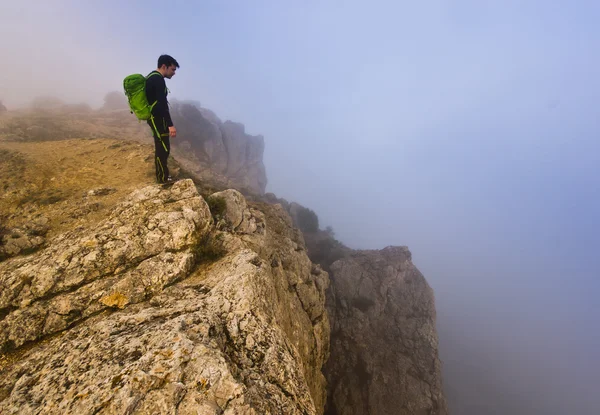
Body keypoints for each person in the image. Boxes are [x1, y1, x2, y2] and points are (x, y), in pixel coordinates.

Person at [146, 54, 179, 184]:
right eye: (173, 69)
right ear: (164, 66)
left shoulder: (152, 77)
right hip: (158, 118)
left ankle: (163, 176)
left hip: (155, 117)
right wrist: (170, 125)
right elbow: (162, 104)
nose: (174, 73)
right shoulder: (158, 79)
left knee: (163, 147)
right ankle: (162, 178)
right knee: (162, 148)